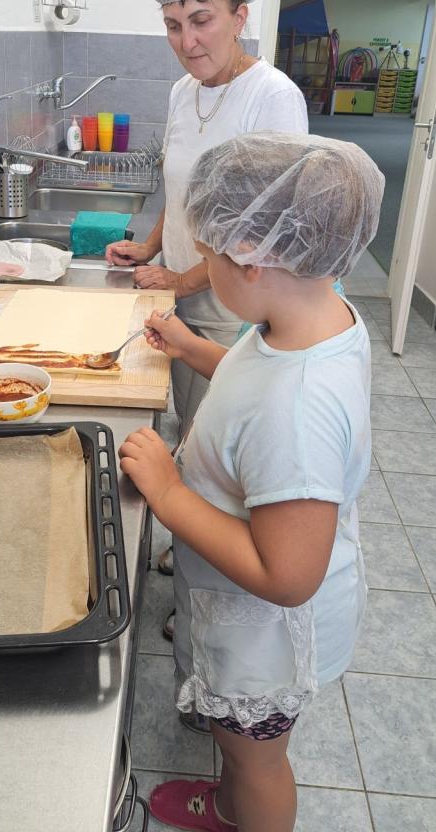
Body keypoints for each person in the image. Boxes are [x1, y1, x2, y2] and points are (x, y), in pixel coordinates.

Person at [119, 132, 384, 832]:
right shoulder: (308, 318)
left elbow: (287, 575)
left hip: (268, 631)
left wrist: (169, 494)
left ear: (254, 258)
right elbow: (253, 379)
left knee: (257, 761)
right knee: (241, 750)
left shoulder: (296, 409)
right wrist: (193, 348)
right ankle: (232, 801)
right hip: (245, 610)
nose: (203, 267)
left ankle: (243, 810)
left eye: (208, 254)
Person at [106, 0, 309, 639]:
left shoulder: (272, 98)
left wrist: (184, 275)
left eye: (201, 20)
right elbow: (182, 186)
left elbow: (259, 229)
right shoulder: (182, 91)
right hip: (179, 292)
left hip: (230, 304)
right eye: (172, 24)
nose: (186, 41)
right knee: (188, 442)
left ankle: (204, 601)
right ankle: (187, 549)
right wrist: (151, 246)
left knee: (216, 454)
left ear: (239, 14)